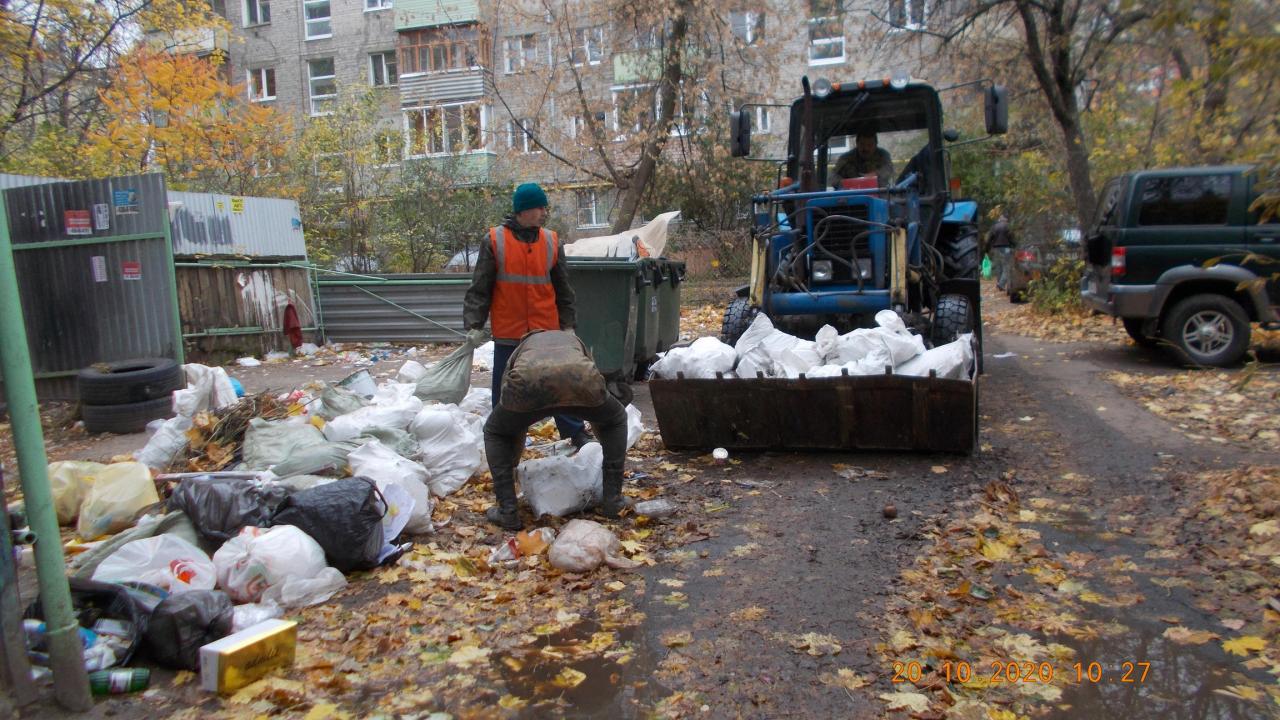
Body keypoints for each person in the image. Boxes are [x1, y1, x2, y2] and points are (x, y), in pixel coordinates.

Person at [464, 182, 590, 447]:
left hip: (546, 331)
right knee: (506, 391)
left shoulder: (551, 240)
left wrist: (568, 325)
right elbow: (480, 288)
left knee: (559, 383)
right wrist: (474, 324)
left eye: (544, 207)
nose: (544, 212)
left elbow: (563, 289)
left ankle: (575, 432)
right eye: (539, 207)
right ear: (524, 210)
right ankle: (504, 439)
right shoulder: (495, 240)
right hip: (510, 333)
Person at [483, 330, 630, 530]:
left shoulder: (520, 349)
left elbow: (511, 424)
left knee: (495, 431)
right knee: (616, 418)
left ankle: (507, 511)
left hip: (527, 386)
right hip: (580, 381)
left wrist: (513, 463)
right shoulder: (575, 340)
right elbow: (595, 385)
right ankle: (612, 501)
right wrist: (602, 429)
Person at [987, 215, 1015, 290]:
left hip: (996, 248)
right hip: (1006, 248)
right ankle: (1001, 284)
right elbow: (1011, 238)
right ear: (1006, 219)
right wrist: (1014, 246)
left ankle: (999, 284)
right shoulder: (1008, 226)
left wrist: (987, 249)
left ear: (999, 219)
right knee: (1007, 266)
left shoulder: (994, 227)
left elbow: (989, 238)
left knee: (998, 266)